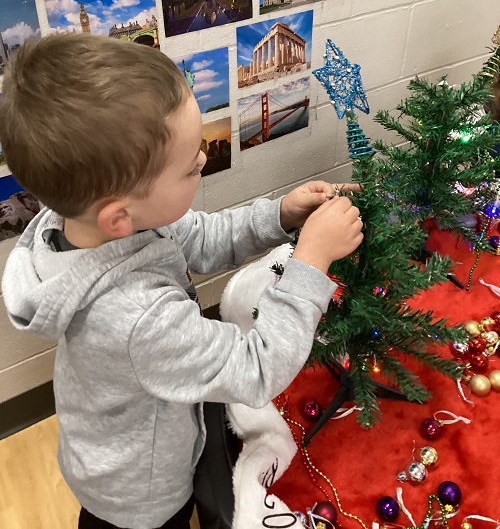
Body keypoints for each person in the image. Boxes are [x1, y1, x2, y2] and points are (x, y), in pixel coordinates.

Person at [0, 33, 363, 529]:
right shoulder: (136, 317)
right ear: (119, 218)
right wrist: (312, 260)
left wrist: (279, 215)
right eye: (193, 168)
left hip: (113, 445)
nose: (204, 168)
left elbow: (205, 235)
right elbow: (256, 369)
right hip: (142, 496)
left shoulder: (81, 222)